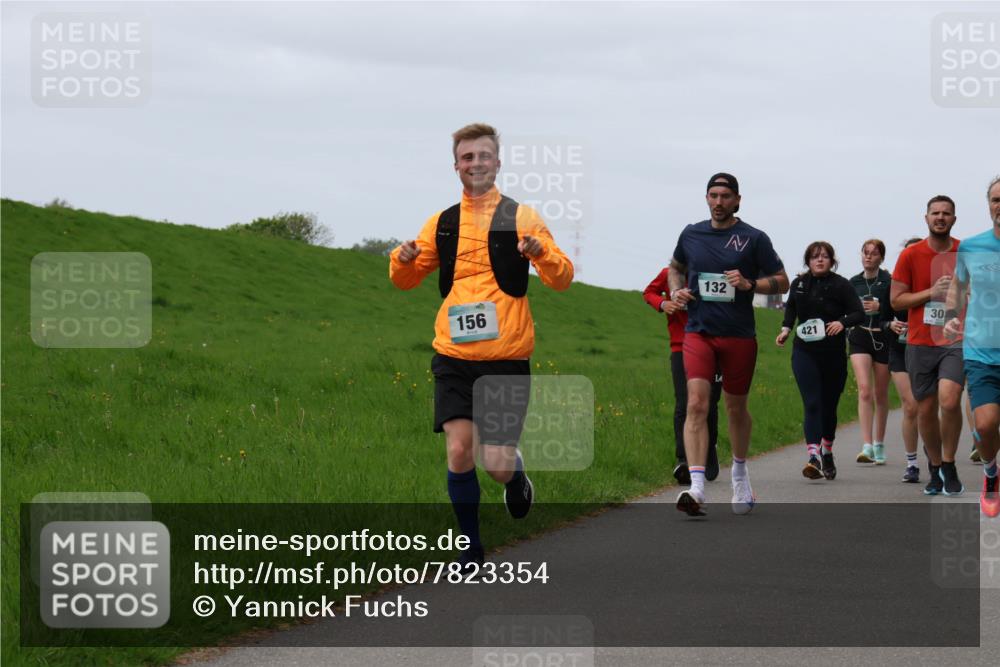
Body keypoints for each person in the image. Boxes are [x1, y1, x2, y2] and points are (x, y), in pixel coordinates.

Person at [389, 123, 574, 567]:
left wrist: (540, 253)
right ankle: (471, 548)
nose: (476, 163)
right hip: (453, 356)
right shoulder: (442, 223)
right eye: (467, 157)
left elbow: (562, 278)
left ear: (498, 163)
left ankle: (515, 476)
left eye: (483, 156)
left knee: (495, 463)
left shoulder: (522, 217)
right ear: (456, 165)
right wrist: (403, 258)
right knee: (458, 450)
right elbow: (405, 280)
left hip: (505, 359)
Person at [668, 173, 789, 516]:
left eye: (725, 196)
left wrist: (750, 284)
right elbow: (675, 267)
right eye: (713, 195)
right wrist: (676, 290)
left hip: (738, 335)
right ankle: (697, 487)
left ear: (737, 200)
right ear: (707, 198)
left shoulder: (754, 238)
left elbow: (782, 281)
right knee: (696, 404)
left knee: (736, 408)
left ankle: (739, 474)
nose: (718, 202)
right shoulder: (691, 233)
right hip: (699, 332)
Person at [890, 195, 965, 496]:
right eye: (935, 213)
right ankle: (935, 468)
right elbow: (896, 300)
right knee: (926, 410)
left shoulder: (965, 252)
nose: (940, 217)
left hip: (955, 339)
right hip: (920, 341)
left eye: (946, 213)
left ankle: (949, 463)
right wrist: (931, 292)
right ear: (926, 218)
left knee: (950, 399)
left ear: (954, 219)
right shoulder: (910, 255)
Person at [777, 242, 864, 480]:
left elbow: (859, 313)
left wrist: (842, 323)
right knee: (812, 402)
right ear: (808, 261)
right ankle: (813, 457)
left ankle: (827, 451)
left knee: (828, 407)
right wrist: (785, 330)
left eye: (825, 256)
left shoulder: (841, 285)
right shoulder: (799, 284)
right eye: (815, 257)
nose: (820, 260)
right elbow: (791, 309)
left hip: (833, 354)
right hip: (804, 351)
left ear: (832, 261)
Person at [943, 175, 1000, 516]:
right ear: (989, 205)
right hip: (981, 352)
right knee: (985, 425)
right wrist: (951, 315)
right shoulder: (971, 247)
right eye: (996, 199)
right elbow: (959, 286)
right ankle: (991, 472)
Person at [644, 267, 723, 484]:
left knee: (709, 403)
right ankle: (683, 460)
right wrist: (663, 304)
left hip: (711, 346)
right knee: (684, 403)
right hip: (681, 347)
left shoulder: (713, 273)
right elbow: (649, 293)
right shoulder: (669, 273)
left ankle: (709, 449)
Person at [848, 240, 894, 465]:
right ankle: (866, 445)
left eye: (874, 254)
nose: (868, 257)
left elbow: (898, 307)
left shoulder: (889, 281)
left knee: (880, 393)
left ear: (881, 258)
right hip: (859, 336)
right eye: (865, 253)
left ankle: (879, 443)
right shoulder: (853, 282)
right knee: (865, 390)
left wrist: (880, 308)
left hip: (883, 337)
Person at [887, 237, 924, 482]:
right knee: (910, 405)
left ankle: (937, 459)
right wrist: (889, 324)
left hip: (927, 350)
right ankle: (912, 463)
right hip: (899, 350)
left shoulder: (934, 284)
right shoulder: (894, 284)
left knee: (928, 408)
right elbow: (880, 316)